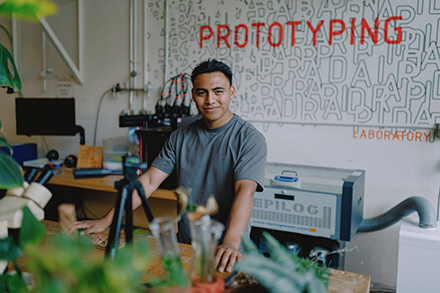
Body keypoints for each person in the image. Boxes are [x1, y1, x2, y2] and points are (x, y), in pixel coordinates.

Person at [76, 58, 267, 273]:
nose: (210, 100)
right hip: (186, 243)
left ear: (231, 92)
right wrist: (106, 221)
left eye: (218, 91)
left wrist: (231, 241)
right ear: (193, 95)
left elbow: (245, 192)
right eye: (202, 92)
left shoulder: (249, 139)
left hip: (227, 252)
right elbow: (148, 182)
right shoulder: (181, 136)